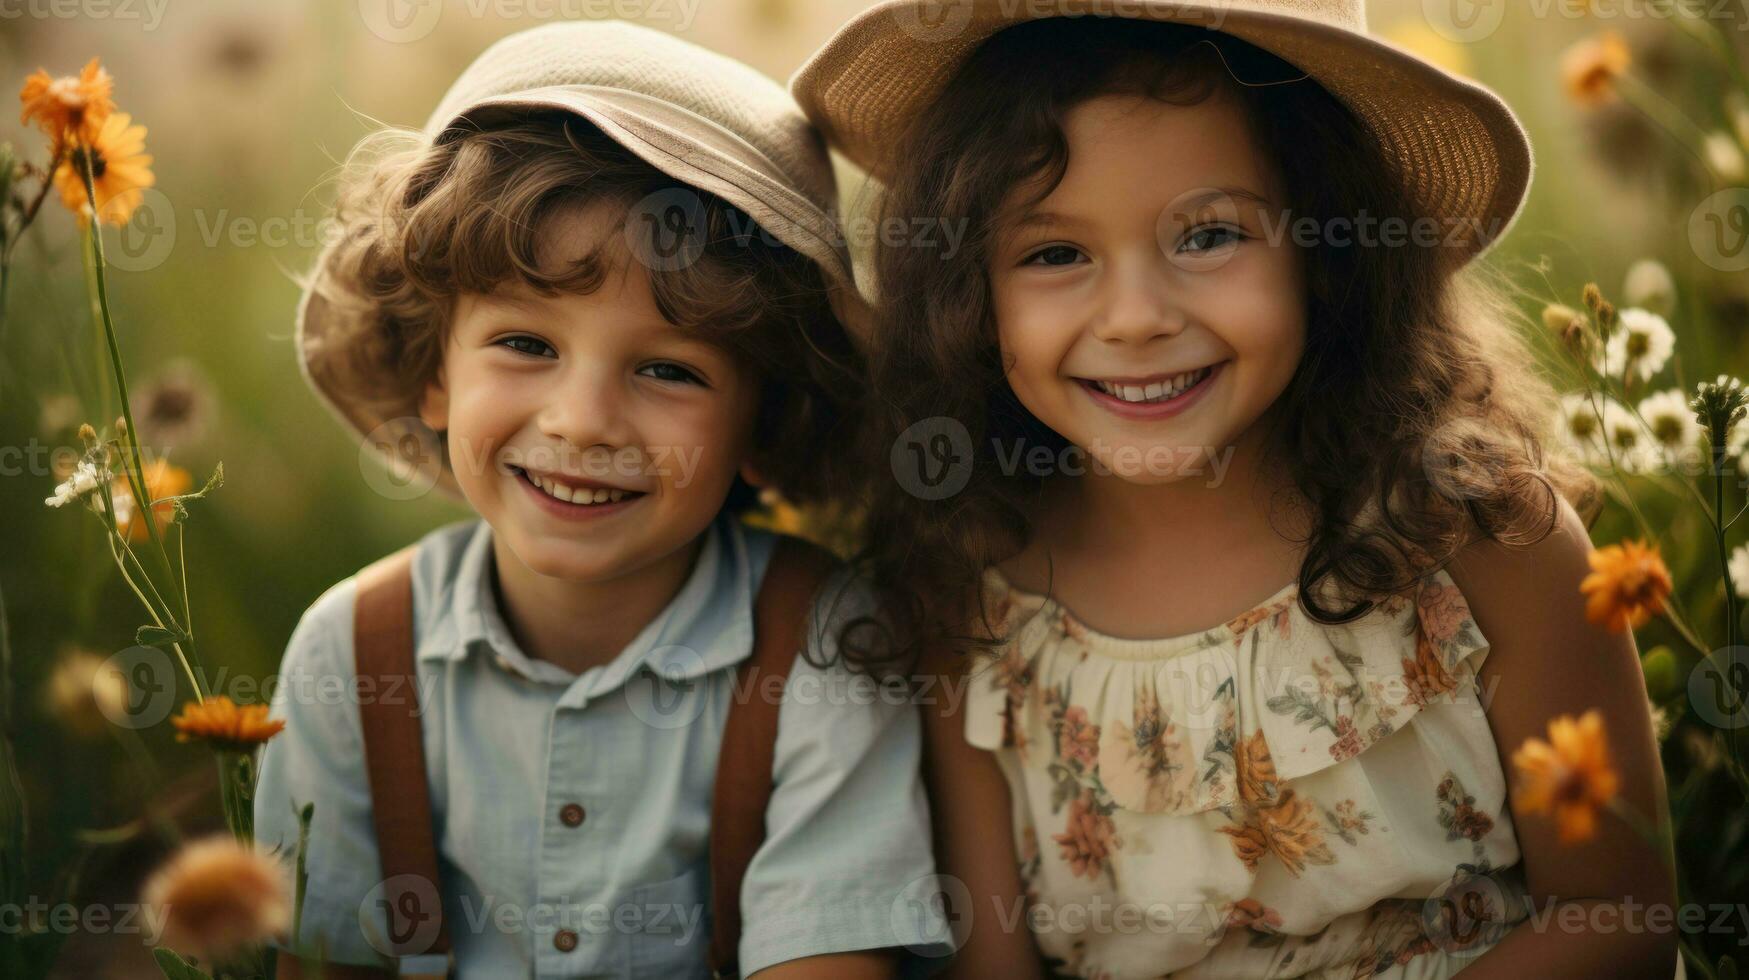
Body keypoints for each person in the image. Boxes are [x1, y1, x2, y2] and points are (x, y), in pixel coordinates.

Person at [793, 3, 1679, 977]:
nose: (1135, 317)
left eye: (1209, 234)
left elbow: (1616, 915)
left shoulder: (1479, 537)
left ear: (1328, 245)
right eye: (1054, 253)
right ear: (968, 290)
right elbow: (996, 963)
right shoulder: (976, 591)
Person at [255, 20, 948, 978]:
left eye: (667, 369)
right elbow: (320, 960)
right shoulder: (351, 651)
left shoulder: (822, 648)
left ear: (765, 422)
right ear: (433, 372)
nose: (582, 422)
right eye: (526, 345)